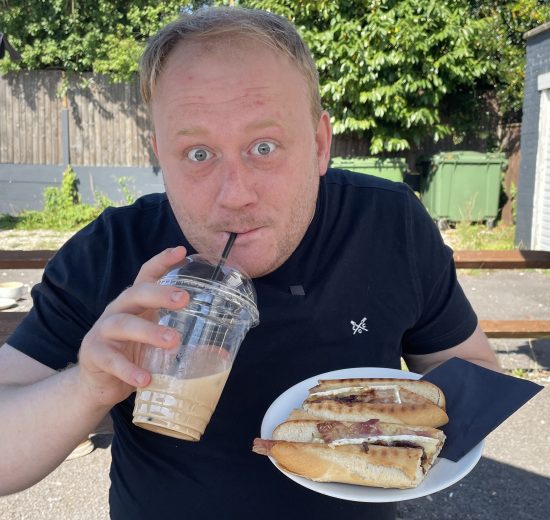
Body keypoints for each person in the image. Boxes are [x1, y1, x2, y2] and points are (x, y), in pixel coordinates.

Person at [0, 6, 499, 519]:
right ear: (160, 155)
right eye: (198, 154)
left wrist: (390, 432)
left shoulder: (389, 224)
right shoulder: (111, 250)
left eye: (264, 146)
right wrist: (88, 387)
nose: (234, 194)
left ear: (319, 145)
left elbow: (473, 368)